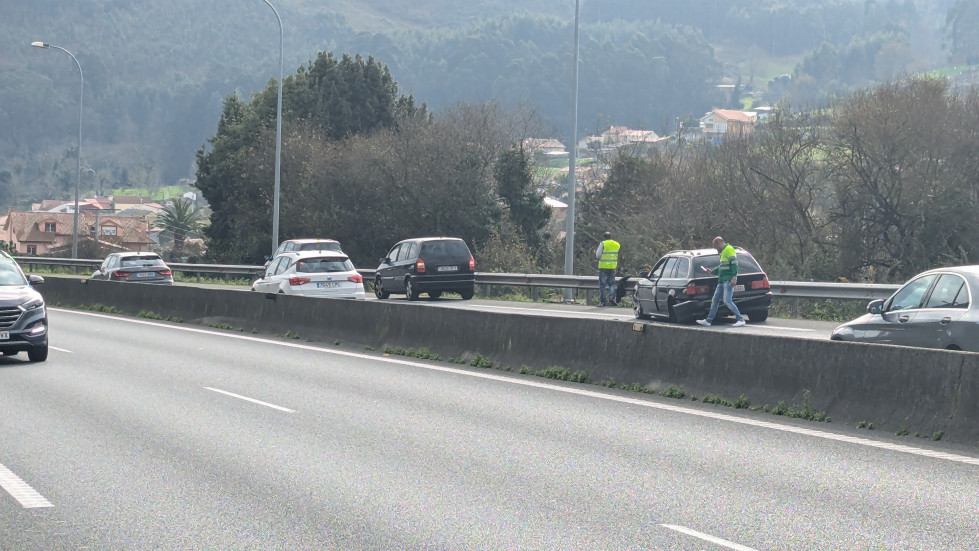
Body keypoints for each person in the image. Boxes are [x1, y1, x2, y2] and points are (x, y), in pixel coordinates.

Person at [696, 236, 746, 327]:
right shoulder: (723, 252)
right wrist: (712, 271)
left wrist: (734, 277)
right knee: (715, 300)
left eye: (716, 247)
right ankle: (708, 321)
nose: (716, 250)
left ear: (719, 243)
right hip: (722, 281)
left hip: (728, 280)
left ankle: (740, 319)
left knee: (727, 301)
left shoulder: (729, 250)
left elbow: (734, 264)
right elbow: (722, 267)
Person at [595, 231, 620, 306]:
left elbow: (598, 255)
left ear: (604, 237)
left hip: (603, 266)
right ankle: (612, 298)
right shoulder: (617, 244)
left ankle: (602, 302)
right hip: (612, 266)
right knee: (611, 284)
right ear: (611, 236)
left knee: (602, 285)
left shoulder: (603, 243)